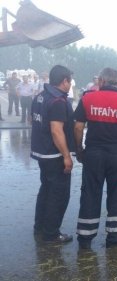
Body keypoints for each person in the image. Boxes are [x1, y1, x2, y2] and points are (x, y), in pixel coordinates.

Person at [74, 67, 117, 250]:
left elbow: (78, 127)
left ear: (101, 81)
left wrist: (79, 149)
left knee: (90, 193)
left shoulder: (87, 98)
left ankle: (85, 239)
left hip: (93, 155)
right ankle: (115, 237)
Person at [30, 65, 75, 243]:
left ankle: (39, 227)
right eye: (69, 81)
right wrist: (66, 156)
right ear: (64, 81)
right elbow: (57, 131)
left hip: (41, 152)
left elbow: (32, 120)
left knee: (46, 190)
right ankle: (51, 233)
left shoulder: (40, 96)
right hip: (54, 155)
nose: (70, 85)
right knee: (59, 194)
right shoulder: (58, 101)